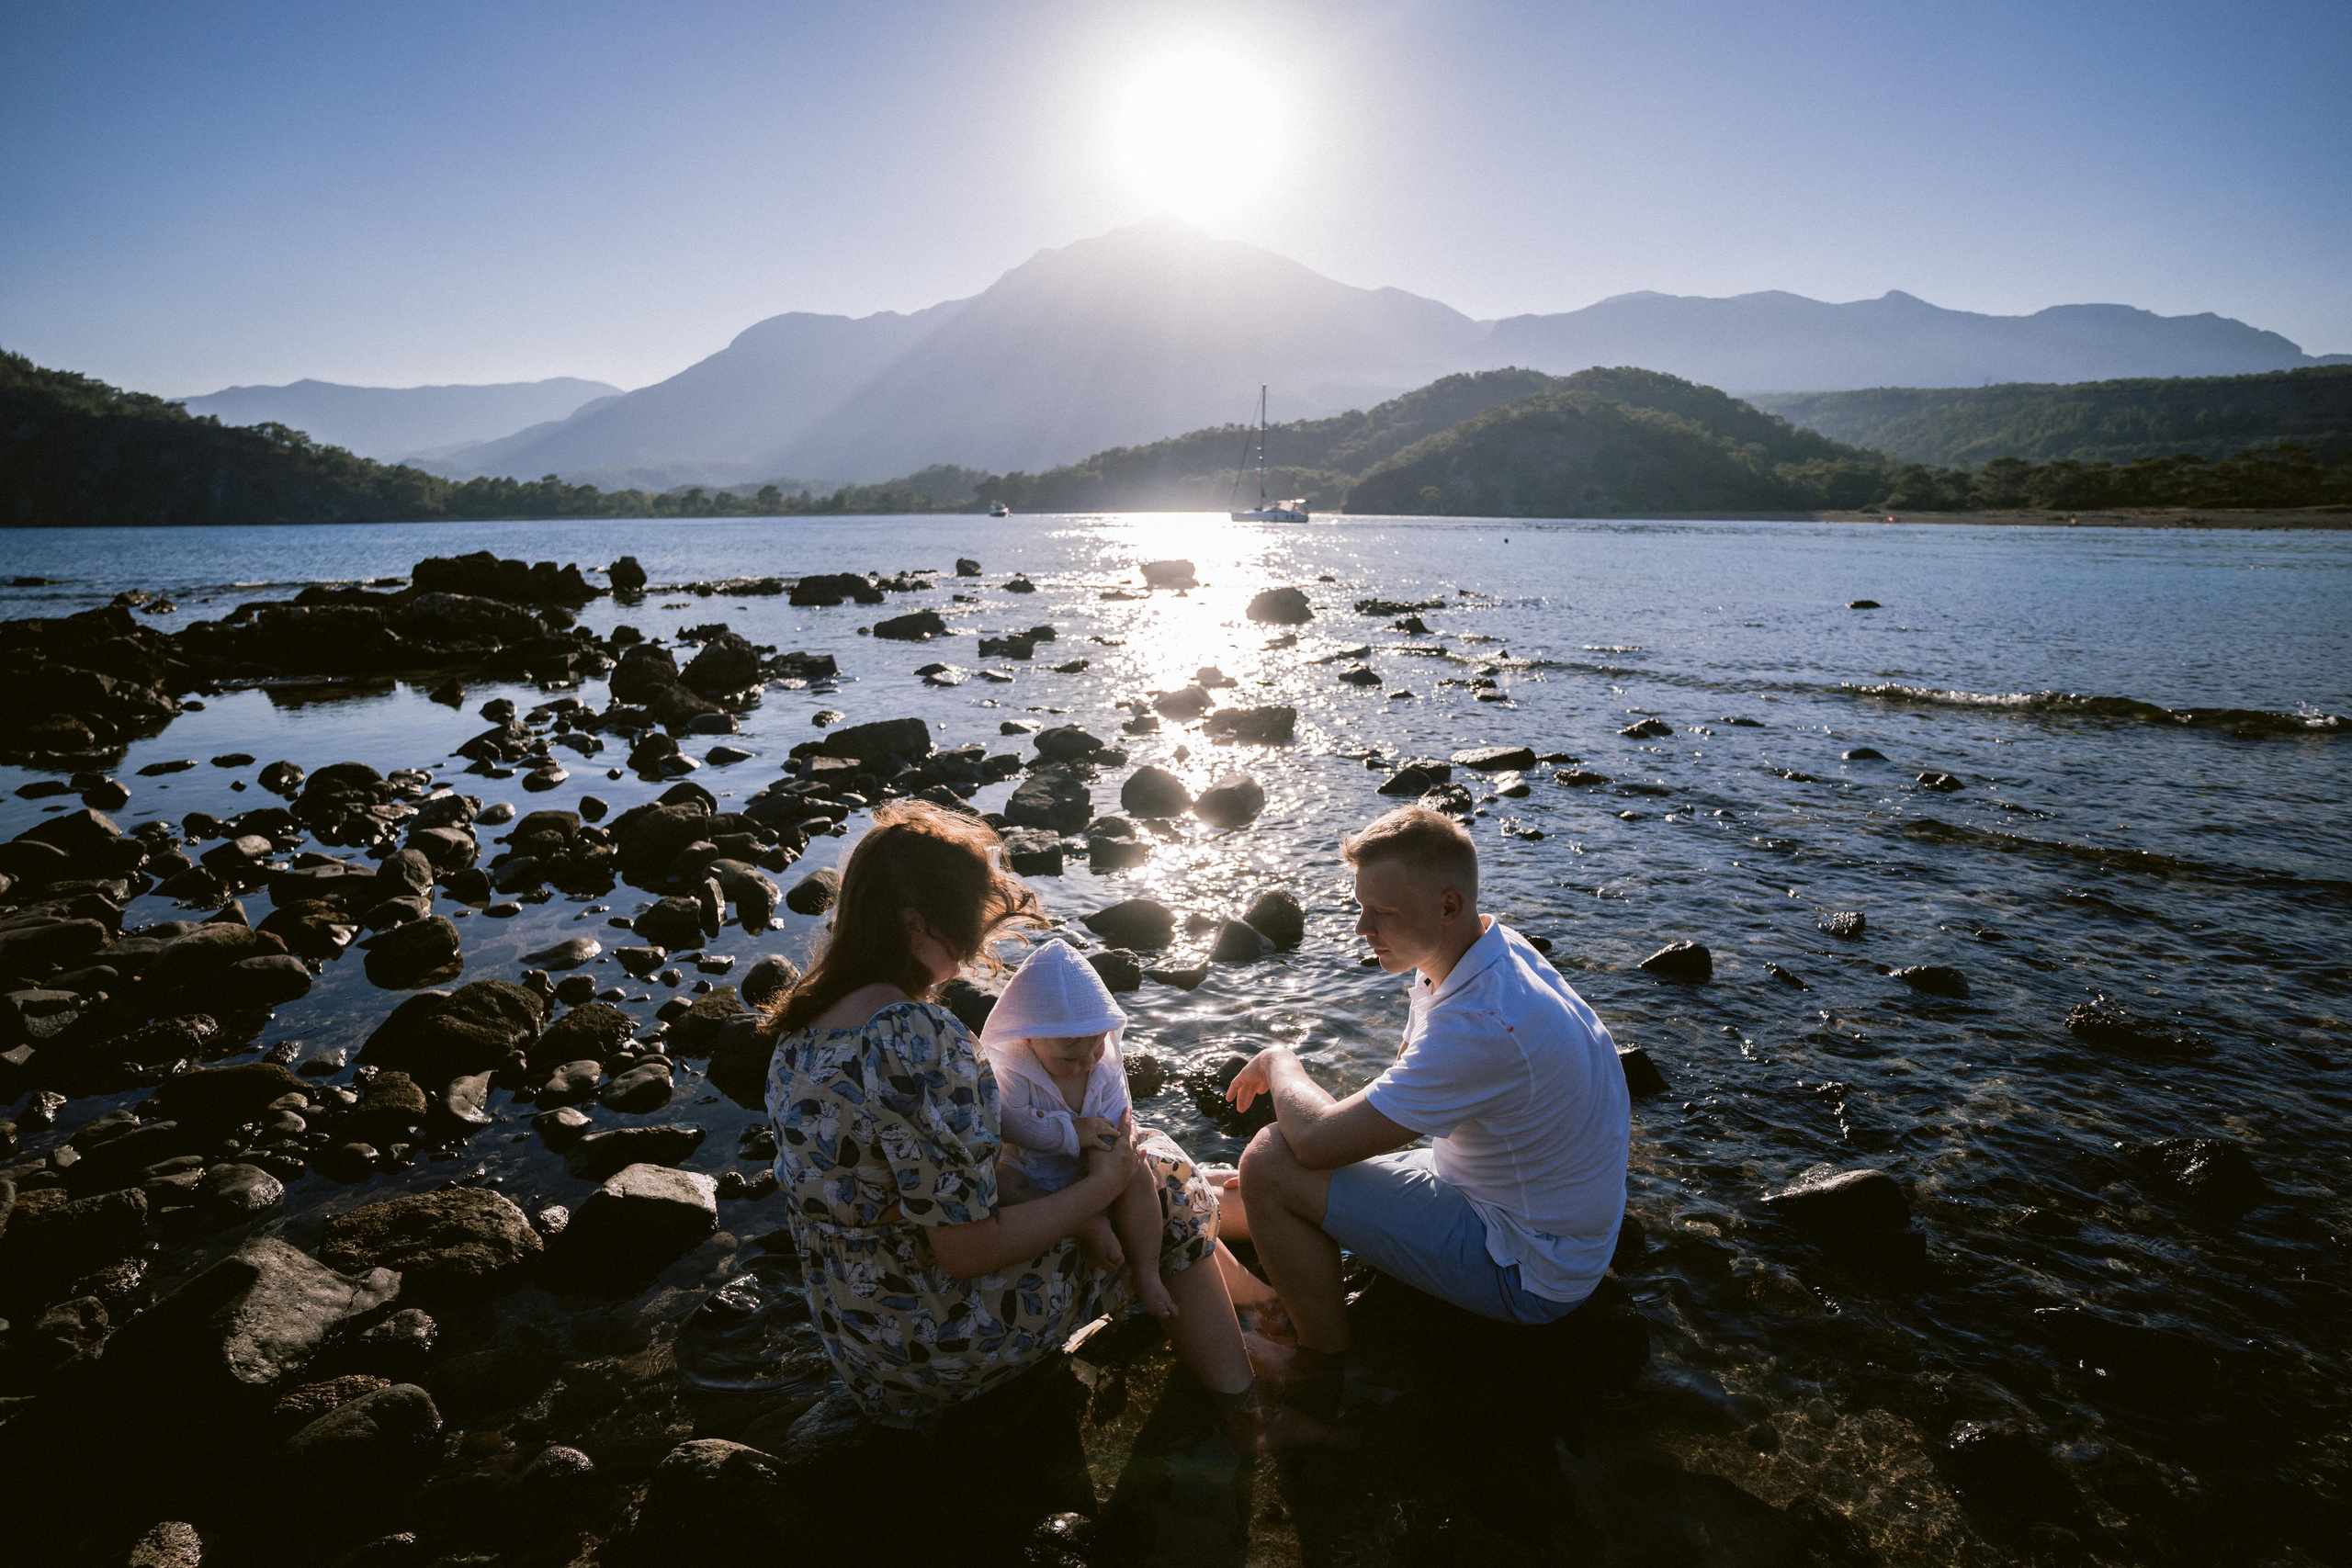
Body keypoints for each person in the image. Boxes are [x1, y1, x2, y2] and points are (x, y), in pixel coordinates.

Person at [762, 800, 1338, 1450]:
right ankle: (1250, 1413)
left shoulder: (802, 1028)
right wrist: (1105, 1186)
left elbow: (920, 1186)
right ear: (914, 923)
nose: (975, 949)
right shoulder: (911, 1035)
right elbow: (966, 1248)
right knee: (1165, 1180)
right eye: (966, 928)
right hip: (936, 1341)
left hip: (863, 1341)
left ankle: (1251, 1310)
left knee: (1149, 1164)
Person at [1221, 805, 1631, 1396]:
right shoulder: (1483, 950)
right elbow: (1397, 1101)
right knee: (1259, 1177)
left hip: (1530, 1268)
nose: (1363, 929)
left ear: (1448, 906)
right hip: (1518, 1202)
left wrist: (1281, 1059)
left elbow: (1313, 1142)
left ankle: (1319, 1362)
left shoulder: (1484, 1022)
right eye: (1361, 907)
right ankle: (1224, 1208)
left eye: (1383, 913)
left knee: (1270, 1159)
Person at [979, 938, 1175, 1319]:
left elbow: (1121, 1112)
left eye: (1097, 1045)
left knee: (1137, 1176)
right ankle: (1086, 1221)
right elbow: (1011, 1123)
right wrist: (1071, 1133)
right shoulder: (1013, 1069)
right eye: (1070, 1055)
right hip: (1032, 1165)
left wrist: (1113, 1146)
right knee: (1001, 1184)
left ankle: (1148, 1271)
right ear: (1028, 1035)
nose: (1087, 1062)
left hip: (1092, 1162)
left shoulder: (1101, 1063)